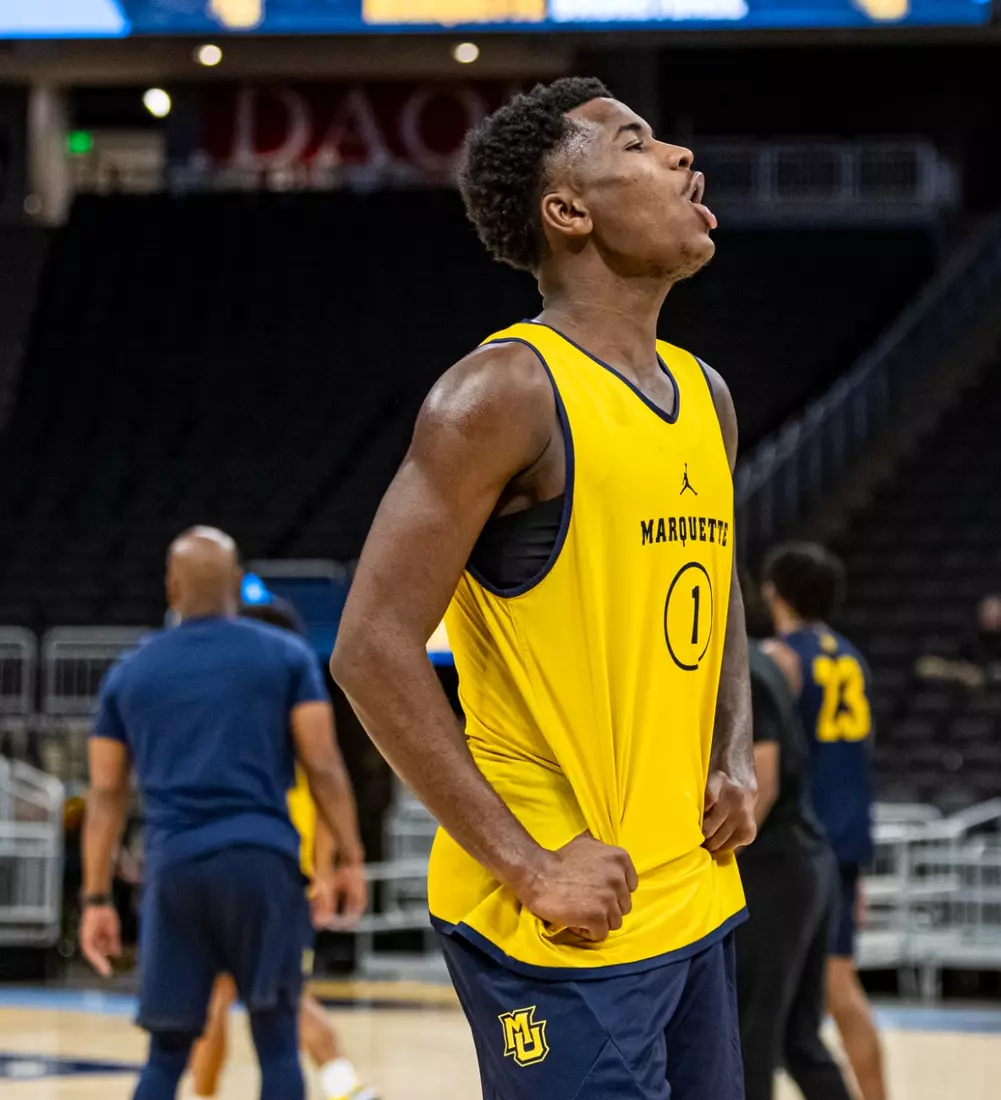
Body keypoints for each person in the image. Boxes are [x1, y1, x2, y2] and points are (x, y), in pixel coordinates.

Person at [330, 77, 757, 1100]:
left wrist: (734, 747)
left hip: (689, 898)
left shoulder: (706, 394)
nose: (680, 158)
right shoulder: (501, 393)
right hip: (559, 922)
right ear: (568, 211)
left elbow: (717, 582)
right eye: (637, 145)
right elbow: (369, 647)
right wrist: (529, 865)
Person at [79, 527, 368, 1100]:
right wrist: (350, 859)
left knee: (166, 1055)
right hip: (263, 866)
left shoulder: (129, 673)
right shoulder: (287, 657)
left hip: (175, 871)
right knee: (278, 1042)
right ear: (237, 584)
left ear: (171, 587)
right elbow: (324, 765)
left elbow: (105, 795)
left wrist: (95, 898)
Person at [188, 599, 378, 1100]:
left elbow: (322, 788)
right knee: (273, 994)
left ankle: (341, 1083)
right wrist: (327, 871)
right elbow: (327, 790)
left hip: (245, 870)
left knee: (230, 995)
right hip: (282, 877)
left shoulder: (231, 713)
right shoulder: (299, 709)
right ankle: (345, 1083)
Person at [760, 542, 888, 1100]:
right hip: (847, 838)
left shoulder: (782, 659)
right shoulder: (852, 659)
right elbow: (861, 757)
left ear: (777, 594)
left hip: (804, 840)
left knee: (834, 990)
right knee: (824, 997)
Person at [736, 574, 854, 1100]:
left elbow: (762, 783)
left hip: (776, 867)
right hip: (806, 863)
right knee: (797, 1039)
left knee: (751, 1033)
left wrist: (718, 855)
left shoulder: (747, 670)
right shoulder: (766, 662)